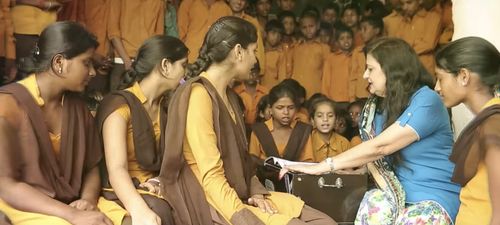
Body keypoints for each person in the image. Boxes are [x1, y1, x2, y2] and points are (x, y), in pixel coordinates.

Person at [157, 16, 336, 225]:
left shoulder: (231, 97)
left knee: (324, 221)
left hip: (241, 192)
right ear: (238, 52)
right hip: (211, 201)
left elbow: (242, 160)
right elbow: (211, 177)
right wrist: (246, 218)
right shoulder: (199, 95)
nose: (255, 60)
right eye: (253, 51)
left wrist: (257, 192)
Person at [285, 37, 461, 224]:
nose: (364, 76)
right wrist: (345, 172)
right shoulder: (375, 109)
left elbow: (380, 147)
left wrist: (322, 166)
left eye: (370, 69)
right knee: (373, 202)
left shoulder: (427, 100)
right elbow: (377, 162)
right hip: (393, 196)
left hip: (433, 197)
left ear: (392, 71)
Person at [0, 21, 128, 225]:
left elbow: (92, 167)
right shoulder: (7, 104)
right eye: (86, 63)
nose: (93, 72)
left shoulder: (77, 107)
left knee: (126, 220)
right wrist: (72, 215)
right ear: (59, 63)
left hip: (73, 202)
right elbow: (6, 185)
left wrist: (87, 199)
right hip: (23, 204)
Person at [97, 35, 188, 225]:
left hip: (157, 186)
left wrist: (158, 182)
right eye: (183, 65)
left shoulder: (167, 107)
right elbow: (116, 170)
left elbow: (175, 160)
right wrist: (139, 209)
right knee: (159, 212)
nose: (185, 74)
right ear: (165, 66)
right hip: (122, 191)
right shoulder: (120, 106)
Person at [434, 37, 500, 225]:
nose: (437, 87)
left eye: (440, 78)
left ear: (464, 76)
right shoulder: (488, 119)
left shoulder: (494, 124)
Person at [249, 83, 314, 163]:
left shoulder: (302, 130)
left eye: (291, 108)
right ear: (270, 109)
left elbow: (308, 162)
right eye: (280, 108)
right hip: (263, 175)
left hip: (295, 174)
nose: (286, 112)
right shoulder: (259, 130)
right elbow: (252, 160)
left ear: (296, 109)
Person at [383, 0, 441, 75]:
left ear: (420, 1)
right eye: (403, 4)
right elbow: (397, 45)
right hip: (405, 71)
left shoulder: (433, 17)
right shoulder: (403, 20)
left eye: (409, 3)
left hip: (425, 71)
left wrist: (406, 47)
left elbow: (428, 44)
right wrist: (415, 43)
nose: (404, 7)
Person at [291, 11, 329, 98]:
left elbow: (327, 74)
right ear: (300, 29)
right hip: (296, 92)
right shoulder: (296, 47)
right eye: (304, 27)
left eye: (311, 26)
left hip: (315, 92)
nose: (308, 30)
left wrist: (324, 93)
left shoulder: (324, 48)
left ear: (318, 25)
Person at [350, 16, 384, 102]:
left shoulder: (385, 51)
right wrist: (352, 98)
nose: (361, 32)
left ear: (377, 30)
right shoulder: (357, 51)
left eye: (365, 29)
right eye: (360, 29)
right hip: (360, 96)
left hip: (379, 95)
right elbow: (353, 77)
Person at [309, 97, 350, 162]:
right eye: (320, 116)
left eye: (330, 116)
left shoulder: (343, 143)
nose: (325, 119)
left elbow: (349, 168)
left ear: (336, 120)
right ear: (312, 121)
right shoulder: (307, 141)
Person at [321, 24, 353, 105]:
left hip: (352, 99)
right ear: (337, 42)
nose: (346, 41)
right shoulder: (331, 58)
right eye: (342, 38)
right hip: (334, 99)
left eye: (348, 38)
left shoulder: (356, 56)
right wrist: (326, 99)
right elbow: (326, 80)